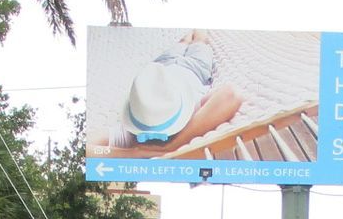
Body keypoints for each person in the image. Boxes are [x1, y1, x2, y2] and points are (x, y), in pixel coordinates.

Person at [96, 29, 241, 153]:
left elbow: (89, 147)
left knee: (182, 41)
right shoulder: (191, 113)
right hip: (195, 68)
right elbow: (231, 95)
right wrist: (173, 145)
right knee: (200, 40)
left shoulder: (129, 134)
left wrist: (136, 153)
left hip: (162, 67)